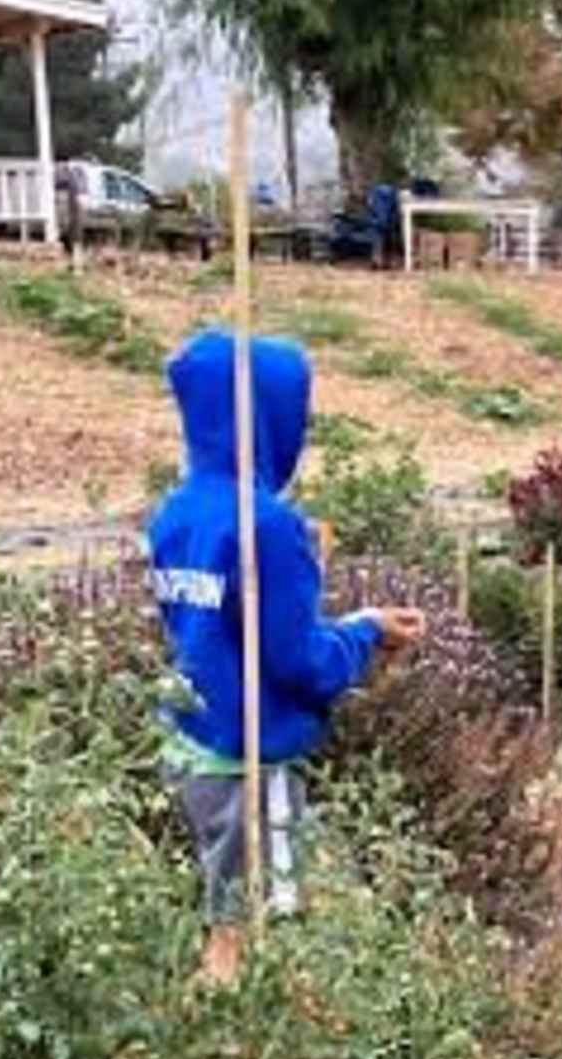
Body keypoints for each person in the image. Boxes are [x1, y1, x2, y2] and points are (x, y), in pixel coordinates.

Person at [147, 329, 422, 982]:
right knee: (253, 936)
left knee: (227, 909)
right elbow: (299, 660)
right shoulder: (267, 526)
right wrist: (364, 637)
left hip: (192, 747)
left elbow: (229, 633)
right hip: (249, 761)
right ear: (272, 416)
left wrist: (354, 621)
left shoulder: (177, 513)